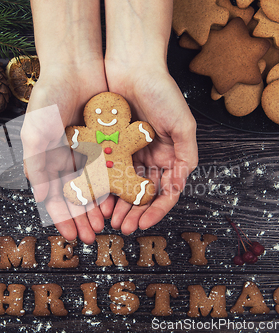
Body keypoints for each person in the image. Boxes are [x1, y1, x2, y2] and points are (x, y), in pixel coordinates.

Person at [21, 0, 198, 245]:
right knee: (87, 183)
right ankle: (83, 189)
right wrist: (67, 65)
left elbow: (138, 133)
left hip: (124, 174)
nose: (106, 116)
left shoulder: (125, 135)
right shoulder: (89, 134)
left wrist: (140, 64)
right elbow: (78, 137)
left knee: (131, 183)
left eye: (114, 111)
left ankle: (135, 189)